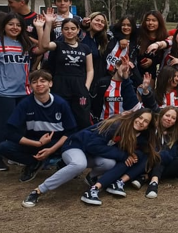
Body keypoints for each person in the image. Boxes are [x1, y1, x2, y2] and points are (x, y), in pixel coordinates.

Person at [22, 109, 153, 207]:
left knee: (110, 163)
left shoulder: (135, 134)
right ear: (134, 116)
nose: (141, 122)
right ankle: (38, 191)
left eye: (145, 121)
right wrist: (125, 155)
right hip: (76, 146)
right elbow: (93, 146)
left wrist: (133, 155)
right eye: (140, 118)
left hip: (91, 154)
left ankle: (91, 178)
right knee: (80, 164)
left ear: (148, 126)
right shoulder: (117, 125)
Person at [0, 70, 77, 182]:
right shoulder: (25, 104)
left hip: (56, 143)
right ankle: (34, 163)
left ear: (50, 83)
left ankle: (62, 164)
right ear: (31, 86)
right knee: (4, 147)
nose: (39, 84)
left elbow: (71, 131)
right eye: (34, 82)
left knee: (75, 144)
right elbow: (10, 131)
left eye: (43, 81)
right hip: (34, 142)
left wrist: (50, 150)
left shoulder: (61, 103)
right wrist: (37, 143)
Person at [35, 14, 94, 130]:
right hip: (60, 84)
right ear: (61, 31)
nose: (69, 31)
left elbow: (90, 70)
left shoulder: (85, 48)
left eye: (73, 28)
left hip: (79, 85)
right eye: (66, 29)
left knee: (82, 118)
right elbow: (45, 45)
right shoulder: (58, 45)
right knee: (60, 116)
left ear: (78, 30)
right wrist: (48, 24)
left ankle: (81, 142)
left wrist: (86, 87)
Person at [0, 13, 35, 171]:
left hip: (24, 92)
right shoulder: (1, 43)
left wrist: (42, 27)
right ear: (4, 26)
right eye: (11, 24)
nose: (14, 28)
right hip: (5, 92)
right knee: (5, 127)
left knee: (21, 126)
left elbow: (43, 47)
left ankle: (15, 154)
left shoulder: (25, 43)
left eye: (18, 25)